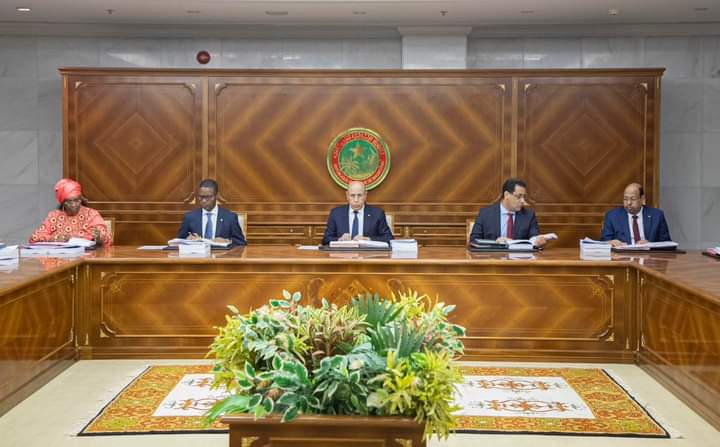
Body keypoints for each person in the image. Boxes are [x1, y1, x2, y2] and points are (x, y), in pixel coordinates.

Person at [29, 178, 112, 246]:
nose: (73, 204)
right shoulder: (54, 216)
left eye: (76, 200)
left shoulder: (92, 215)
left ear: (81, 199)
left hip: (85, 258)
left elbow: (108, 239)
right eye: (69, 201)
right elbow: (34, 238)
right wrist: (53, 238)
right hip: (58, 258)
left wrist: (99, 238)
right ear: (63, 202)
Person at [469, 178, 547, 247]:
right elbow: (474, 240)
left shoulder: (529, 215)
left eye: (524, 197)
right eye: (519, 196)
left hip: (520, 257)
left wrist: (538, 241)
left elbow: (534, 237)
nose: (523, 201)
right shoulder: (485, 214)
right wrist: (496, 243)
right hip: (492, 257)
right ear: (506, 195)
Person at [177, 179, 246, 247]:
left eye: (208, 197)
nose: (204, 200)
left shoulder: (230, 217)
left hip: (222, 253)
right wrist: (187, 239)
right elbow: (179, 241)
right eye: (201, 197)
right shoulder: (189, 217)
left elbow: (241, 243)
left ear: (217, 196)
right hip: (197, 253)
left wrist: (228, 241)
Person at [322, 180, 393, 245]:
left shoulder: (377, 214)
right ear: (347, 195)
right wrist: (340, 239)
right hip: (344, 253)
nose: (356, 199)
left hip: (368, 253)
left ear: (365, 195)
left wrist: (368, 239)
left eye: (359, 195)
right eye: (352, 195)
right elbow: (326, 240)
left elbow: (389, 239)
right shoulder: (336, 213)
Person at [601, 183, 671, 247]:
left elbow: (667, 244)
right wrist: (610, 242)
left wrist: (650, 244)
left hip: (648, 255)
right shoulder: (612, 216)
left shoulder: (657, 215)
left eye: (633, 199)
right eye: (625, 199)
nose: (629, 203)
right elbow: (604, 241)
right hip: (623, 255)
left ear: (642, 199)